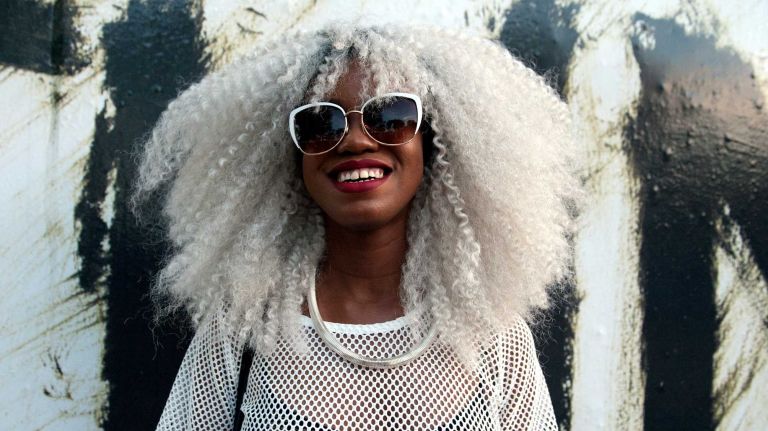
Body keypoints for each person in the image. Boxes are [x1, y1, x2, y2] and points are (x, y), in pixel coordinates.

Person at [135, 23, 580, 431]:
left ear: (432, 143)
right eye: (319, 123)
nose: (355, 140)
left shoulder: (492, 333)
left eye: (390, 117)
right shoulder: (243, 327)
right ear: (291, 158)